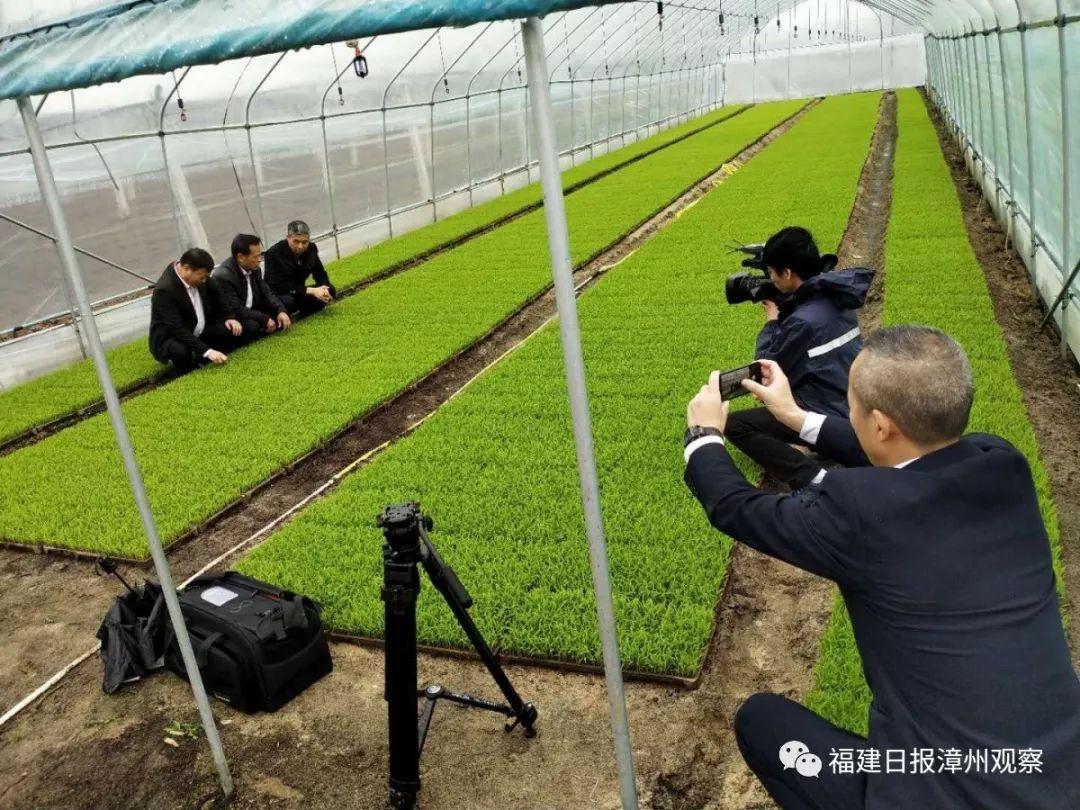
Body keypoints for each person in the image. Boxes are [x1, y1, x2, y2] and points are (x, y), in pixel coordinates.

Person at [683, 325, 1080, 810]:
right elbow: (910, 453)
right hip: (1061, 774)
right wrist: (795, 417)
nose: (847, 414)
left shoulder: (859, 513)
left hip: (949, 793)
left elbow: (736, 508)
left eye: (850, 406)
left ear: (880, 425)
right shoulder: (1001, 462)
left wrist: (703, 435)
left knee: (763, 723)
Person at [725, 226, 874, 489]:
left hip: (832, 417)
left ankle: (810, 476)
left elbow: (767, 368)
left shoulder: (804, 322)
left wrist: (772, 321)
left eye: (772, 273)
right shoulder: (839, 298)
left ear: (788, 273)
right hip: (857, 401)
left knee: (735, 425)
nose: (771, 280)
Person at [148, 248, 245, 372]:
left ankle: (200, 356)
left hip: (199, 329)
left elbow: (218, 292)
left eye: (206, 277)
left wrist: (229, 317)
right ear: (186, 269)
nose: (205, 281)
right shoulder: (164, 290)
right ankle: (187, 367)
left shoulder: (199, 273)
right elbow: (176, 328)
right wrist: (207, 352)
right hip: (171, 337)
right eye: (202, 278)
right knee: (180, 351)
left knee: (231, 330)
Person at [212, 234, 292, 339]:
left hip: (254, 308)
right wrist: (264, 318)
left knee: (287, 303)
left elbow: (266, 292)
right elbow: (237, 309)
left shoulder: (254, 267)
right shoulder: (223, 276)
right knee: (252, 326)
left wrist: (281, 310)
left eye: (260, 255)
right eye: (256, 257)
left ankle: (268, 327)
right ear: (241, 257)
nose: (259, 260)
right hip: (236, 316)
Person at [264, 220, 336, 318]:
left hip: (300, 292)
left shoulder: (311, 248)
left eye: (304, 242)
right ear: (288, 238)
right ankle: (291, 313)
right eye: (296, 241)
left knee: (330, 289)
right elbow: (276, 285)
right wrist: (310, 290)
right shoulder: (273, 254)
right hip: (279, 295)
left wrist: (324, 289)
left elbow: (319, 272)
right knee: (289, 302)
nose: (300, 246)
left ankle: (302, 313)